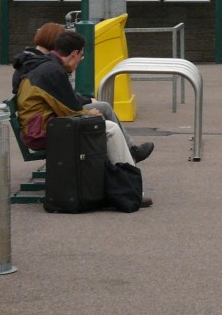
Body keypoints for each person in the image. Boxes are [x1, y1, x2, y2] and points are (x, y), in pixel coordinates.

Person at [15, 29, 152, 207]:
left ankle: (128, 161)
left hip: (45, 123)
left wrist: (88, 110)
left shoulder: (49, 67)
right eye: (81, 57)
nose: (80, 62)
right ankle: (130, 190)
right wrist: (89, 114)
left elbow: (65, 104)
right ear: (75, 53)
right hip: (42, 132)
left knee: (103, 112)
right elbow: (71, 109)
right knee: (109, 128)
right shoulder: (54, 71)